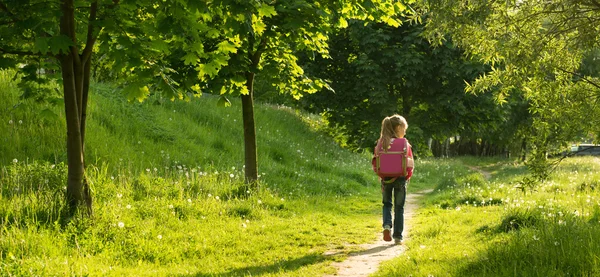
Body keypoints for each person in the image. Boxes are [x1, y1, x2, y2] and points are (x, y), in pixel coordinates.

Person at [374, 114, 414, 244]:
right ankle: (398, 236)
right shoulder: (404, 143)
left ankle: (386, 225)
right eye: (404, 128)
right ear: (398, 128)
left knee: (386, 204)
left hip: (386, 179)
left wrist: (381, 176)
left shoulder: (382, 142)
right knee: (399, 208)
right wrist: (407, 176)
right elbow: (410, 164)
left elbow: (375, 163)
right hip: (401, 179)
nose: (405, 131)